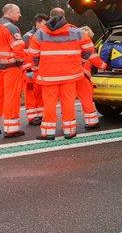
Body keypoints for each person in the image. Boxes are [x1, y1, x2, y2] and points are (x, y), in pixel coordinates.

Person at [27, 7, 98, 140]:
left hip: (48, 76)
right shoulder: (76, 31)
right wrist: (81, 60)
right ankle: (69, 131)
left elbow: (33, 54)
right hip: (70, 75)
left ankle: (48, 132)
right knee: (68, 102)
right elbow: (89, 48)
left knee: (49, 104)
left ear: (49, 16)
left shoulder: (40, 33)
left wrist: (37, 67)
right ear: (64, 16)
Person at [0, 3, 29, 138]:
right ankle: (11, 128)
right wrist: (23, 60)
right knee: (12, 96)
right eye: (18, 12)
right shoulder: (11, 27)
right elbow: (19, 48)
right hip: (11, 67)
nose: (20, 15)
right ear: (10, 12)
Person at [77, 26, 107, 129]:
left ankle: (68, 122)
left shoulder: (73, 41)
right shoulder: (86, 42)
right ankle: (92, 122)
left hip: (72, 74)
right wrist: (104, 66)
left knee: (67, 99)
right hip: (83, 75)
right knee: (86, 98)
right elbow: (94, 58)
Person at [22, 14, 48, 126]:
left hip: (39, 71)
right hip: (30, 71)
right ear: (37, 23)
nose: (45, 26)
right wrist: (28, 70)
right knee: (30, 93)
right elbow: (23, 54)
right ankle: (32, 117)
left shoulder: (41, 35)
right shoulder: (28, 37)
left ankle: (40, 114)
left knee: (40, 93)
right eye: (44, 24)